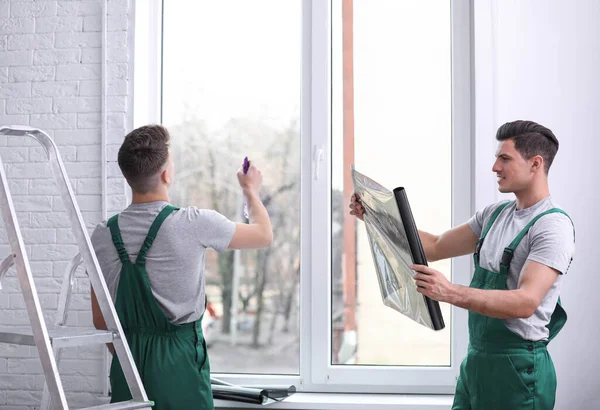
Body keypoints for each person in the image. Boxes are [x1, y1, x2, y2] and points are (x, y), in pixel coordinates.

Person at [349, 120, 575, 410]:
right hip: (476, 364)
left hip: (519, 372)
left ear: (535, 164)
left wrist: (449, 292)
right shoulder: (493, 215)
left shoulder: (552, 226)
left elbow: (525, 302)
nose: (495, 167)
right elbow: (434, 246)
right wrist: (376, 217)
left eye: (504, 158)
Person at [89, 124, 273, 410]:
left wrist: (132, 352)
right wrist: (250, 190)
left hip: (127, 365)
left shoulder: (102, 235)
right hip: (180, 364)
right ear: (166, 174)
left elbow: (100, 320)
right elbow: (263, 234)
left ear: (128, 176)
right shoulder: (192, 223)